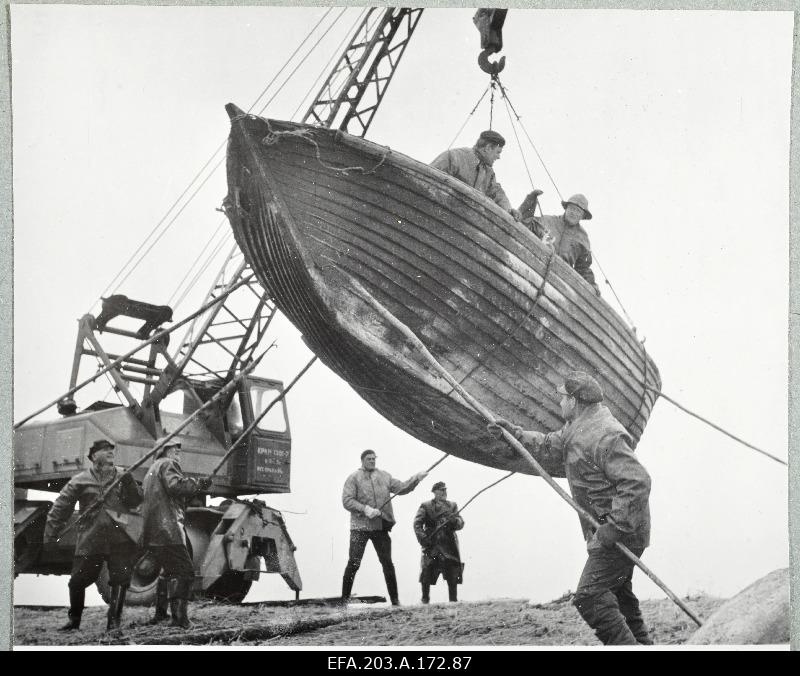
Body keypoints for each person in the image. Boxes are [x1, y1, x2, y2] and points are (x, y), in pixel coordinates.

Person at [487, 371, 653, 645]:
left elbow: (637, 481)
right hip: (615, 530)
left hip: (621, 532)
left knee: (590, 597)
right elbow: (549, 445)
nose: (560, 402)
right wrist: (513, 435)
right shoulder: (579, 426)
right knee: (618, 594)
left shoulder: (604, 434)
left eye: (563, 397)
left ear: (574, 401)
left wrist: (614, 527)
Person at [44, 438, 143, 633]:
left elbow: (136, 501)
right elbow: (61, 507)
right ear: (94, 456)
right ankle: (74, 621)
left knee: (121, 579)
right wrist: (50, 536)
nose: (110, 452)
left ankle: (113, 623)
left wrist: (130, 483)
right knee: (77, 581)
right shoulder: (80, 480)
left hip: (119, 537)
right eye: (105, 450)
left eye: (112, 450)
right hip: (92, 537)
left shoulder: (123, 475)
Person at [140, 439, 212, 629]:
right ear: (165, 451)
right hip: (168, 528)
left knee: (168, 571)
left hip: (154, 530)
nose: (178, 452)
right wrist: (199, 483)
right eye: (174, 449)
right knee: (184, 571)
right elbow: (176, 486)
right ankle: (179, 619)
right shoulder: (168, 464)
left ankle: (160, 614)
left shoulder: (152, 470)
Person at [341, 449, 428, 606]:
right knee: (354, 563)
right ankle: (343, 602)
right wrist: (365, 509)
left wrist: (416, 479)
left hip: (380, 527)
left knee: (387, 563)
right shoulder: (354, 478)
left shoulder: (384, 476)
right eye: (369, 459)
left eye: (374, 458)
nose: (372, 461)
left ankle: (395, 601)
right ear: (362, 460)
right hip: (359, 528)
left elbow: (402, 488)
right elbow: (347, 500)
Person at [520, 191, 601, 295]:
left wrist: (592, 285)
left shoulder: (583, 239)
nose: (574, 213)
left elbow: (583, 268)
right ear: (566, 208)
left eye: (578, 211)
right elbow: (525, 223)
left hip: (559, 285)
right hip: (534, 270)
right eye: (572, 208)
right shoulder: (548, 220)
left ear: (582, 216)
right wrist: (531, 200)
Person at [431, 130, 521, 220]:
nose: (498, 157)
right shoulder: (454, 157)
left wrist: (509, 211)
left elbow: (497, 193)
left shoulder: (489, 173)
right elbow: (430, 178)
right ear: (488, 148)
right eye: (498, 152)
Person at [413, 481, 465, 604]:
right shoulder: (426, 506)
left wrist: (454, 521)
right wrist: (423, 539)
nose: (444, 492)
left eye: (445, 490)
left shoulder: (452, 506)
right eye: (441, 490)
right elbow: (417, 524)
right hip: (432, 544)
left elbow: (460, 523)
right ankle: (425, 600)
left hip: (449, 544)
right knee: (427, 571)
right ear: (434, 492)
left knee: (452, 572)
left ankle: (453, 601)